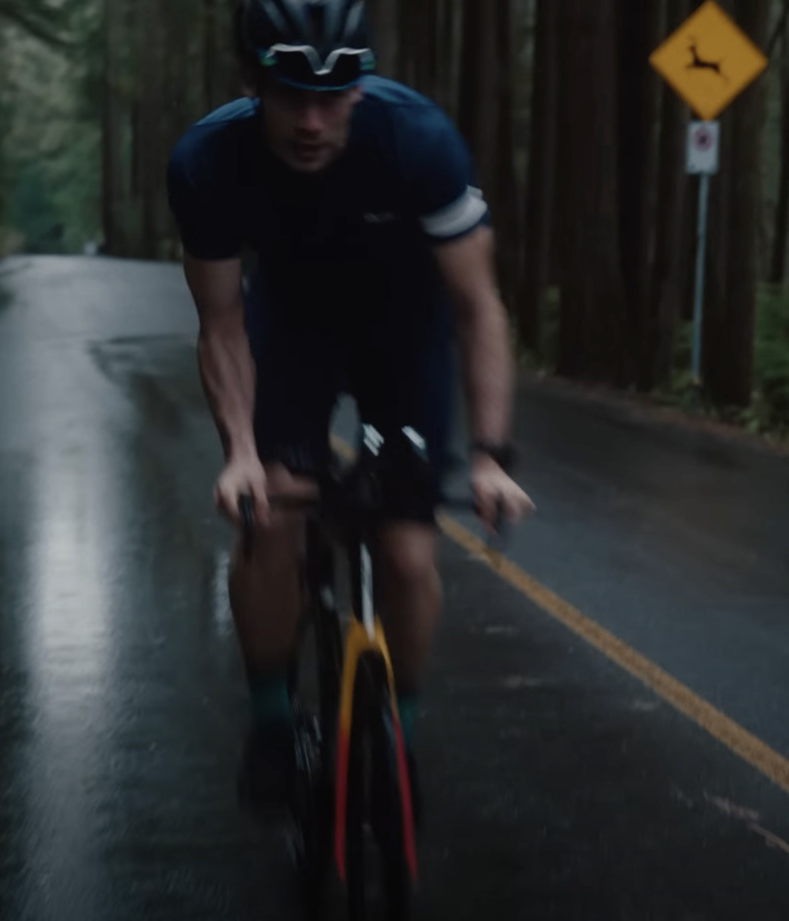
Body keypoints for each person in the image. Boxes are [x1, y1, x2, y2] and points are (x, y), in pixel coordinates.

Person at [165, 0, 534, 812]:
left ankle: (396, 735)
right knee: (266, 521)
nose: (310, 120)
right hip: (288, 330)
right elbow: (222, 326)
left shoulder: (418, 140)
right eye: (291, 93)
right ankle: (270, 721)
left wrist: (489, 456)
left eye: (333, 97)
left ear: (362, 89)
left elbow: (479, 310)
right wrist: (238, 452)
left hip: (406, 335)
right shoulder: (207, 162)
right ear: (252, 84)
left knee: (406, 554)